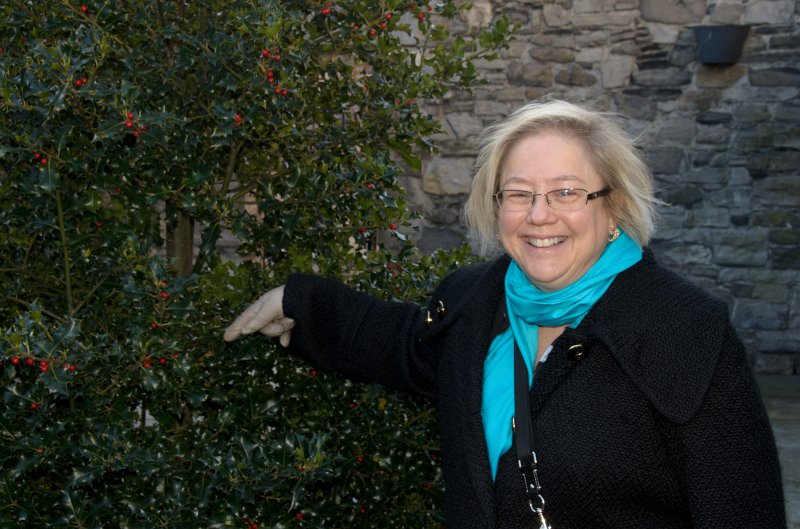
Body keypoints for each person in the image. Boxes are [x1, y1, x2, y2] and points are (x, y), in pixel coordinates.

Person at [223, 99, 786, 528]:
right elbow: (401, 344)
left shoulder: (686, 331)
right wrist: (302, 305)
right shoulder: (476, 303)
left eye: (566, 192)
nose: (539, 215)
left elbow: (742, 511)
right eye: (518, 194)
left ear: (612, 206)